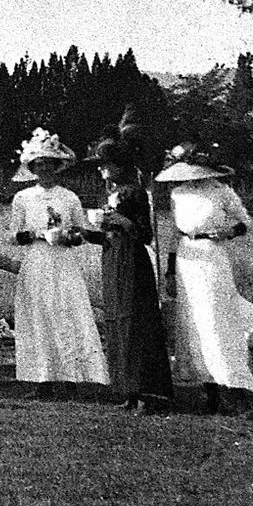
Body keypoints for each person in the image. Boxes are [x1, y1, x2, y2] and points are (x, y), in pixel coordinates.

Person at [156, 142, 253, 415]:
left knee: (217, 321)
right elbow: (174, 236)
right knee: (193, 323)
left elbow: (244, 221)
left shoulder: (221, 191)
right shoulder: (177, 193)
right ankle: (209, 390)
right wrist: (169, 272)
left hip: (213, 256)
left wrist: (229, 232)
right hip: (188, 259)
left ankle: (235, 389)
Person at [9, 128, 108, 398]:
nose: (44, 170)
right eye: (39, 165)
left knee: (66, 314)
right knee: (39, 316)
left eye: (49, 165)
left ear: (57, 167)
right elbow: (15, 235)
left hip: (63, 261)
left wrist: (69, 237)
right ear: (32, 168)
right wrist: (39, 234)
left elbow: (82, 232)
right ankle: (42, 380)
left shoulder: (69, 197)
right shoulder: (23, 198)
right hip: (37, 260)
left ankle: (71, 378)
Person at [84, 130, 174, 413]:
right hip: (112, 260)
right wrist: (87, 233)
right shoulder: (109, 194)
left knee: (135, 322)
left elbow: (144, 234)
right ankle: (127, 390)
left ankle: (147, 391)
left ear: (119, 166)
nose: (100, 169)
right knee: (116, 322)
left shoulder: (134, 193)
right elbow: (109, 236)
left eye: (105, 164)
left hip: (133, 262)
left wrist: (120, 219)